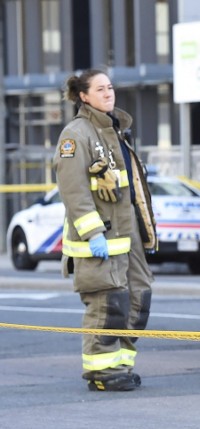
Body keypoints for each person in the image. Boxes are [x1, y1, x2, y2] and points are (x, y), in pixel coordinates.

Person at [54, 69, 157, 392]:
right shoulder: (77, 135)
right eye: (100, 89)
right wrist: (93, 233)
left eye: (110, 87)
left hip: (129, 237)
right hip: (101, 239)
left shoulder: (116, 131)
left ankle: (120, 364)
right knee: (107, 304)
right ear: (83, 96)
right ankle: (101, 370)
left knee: (139, 297)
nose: (108, 93)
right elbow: (74, 191)